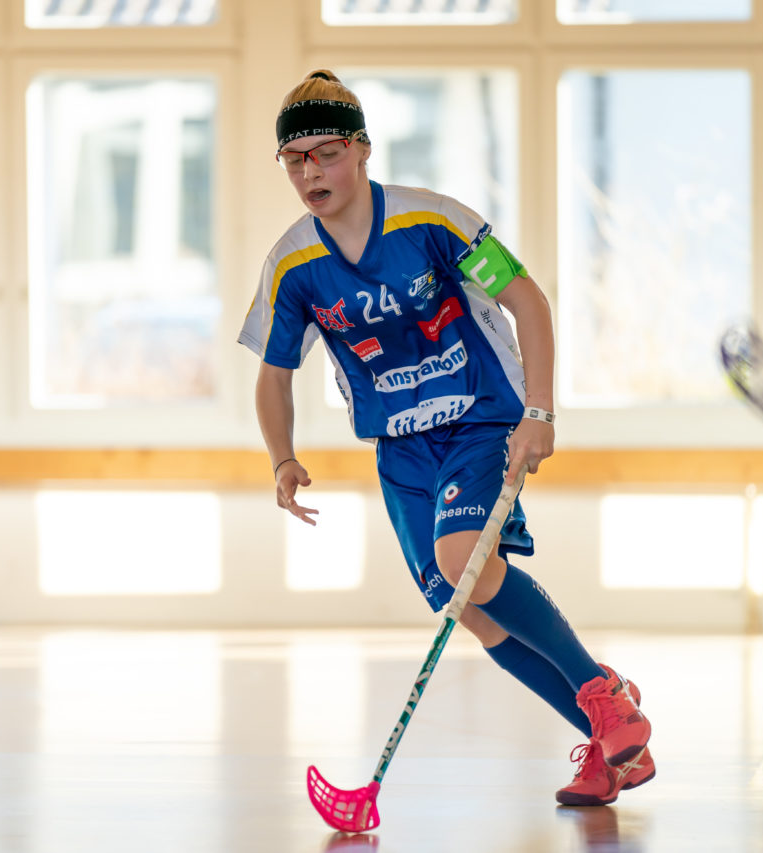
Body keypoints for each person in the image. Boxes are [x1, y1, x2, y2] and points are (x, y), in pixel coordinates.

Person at [238, 70, 654, 807]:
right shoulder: (293, 263)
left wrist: (541, 411)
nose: (311, 171)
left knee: (464, 561)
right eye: (294, 158)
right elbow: (273, 375)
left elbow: (527, 298)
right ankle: (611, 744)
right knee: (468, 605)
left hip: (480, 415)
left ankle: (600, 688)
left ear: (363, 150)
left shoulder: (433, 221)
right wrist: (282, 456)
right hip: (400, 447)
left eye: (326, 151)